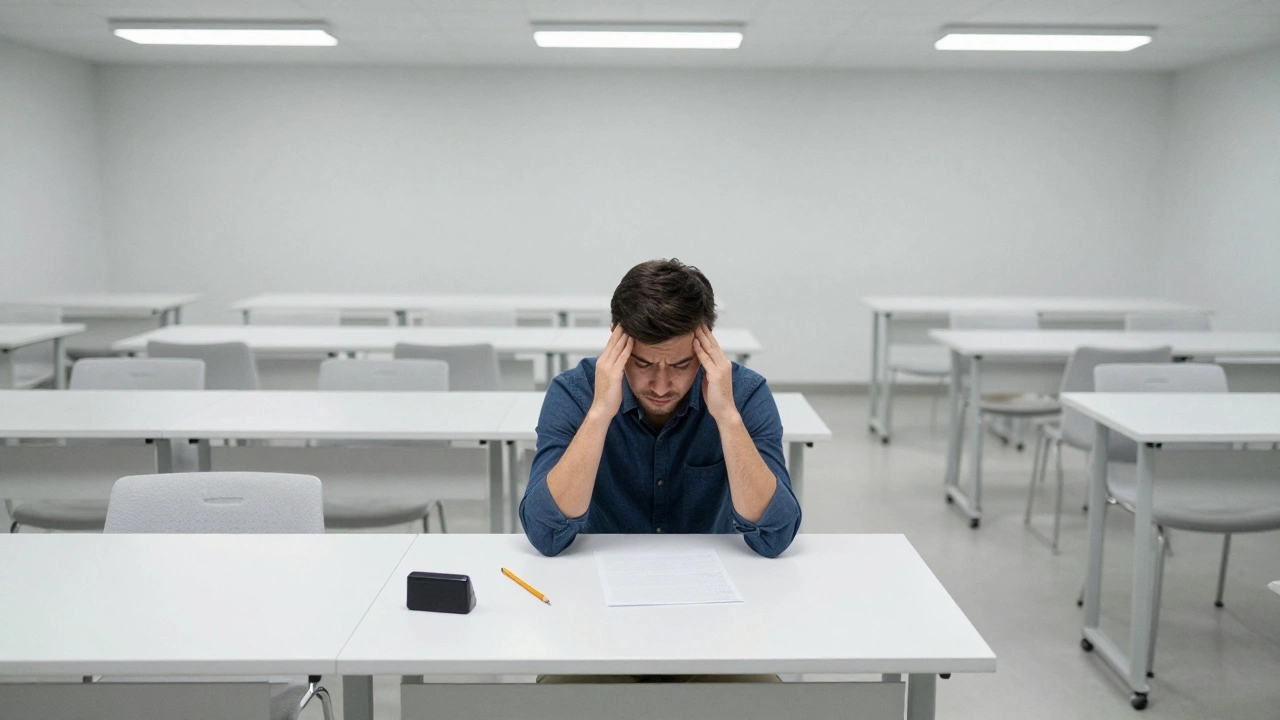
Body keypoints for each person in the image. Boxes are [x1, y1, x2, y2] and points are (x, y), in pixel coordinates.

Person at [519, 258, 801, 558]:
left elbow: (775, 536)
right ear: (615, 338)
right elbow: (544, 534)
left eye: (681, 365)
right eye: (643, 364)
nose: (661, 386)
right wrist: (600, 413)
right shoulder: (574, 393)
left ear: (705, 345)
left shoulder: (744, 395)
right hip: (598, 582)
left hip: (714, 581)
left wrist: (728, 418)